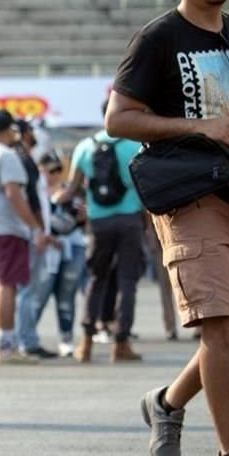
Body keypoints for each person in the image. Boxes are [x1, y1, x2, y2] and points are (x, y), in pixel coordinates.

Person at [105, 0, 229, 456]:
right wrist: (198, 124)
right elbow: (119, 119)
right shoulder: (158, 38)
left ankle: (168, 401)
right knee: (218, 326)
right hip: (188, 197)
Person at [58, 103, 145, 363]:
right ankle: (121, 343)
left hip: (98, 222)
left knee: (96, 279)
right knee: (127, 282)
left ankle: (85, 343)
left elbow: (73, 187)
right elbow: (144, 188)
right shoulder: (133, 146)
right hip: (129, 220)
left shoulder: (85, 146)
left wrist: (56, 201)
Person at [0, 109, 52, 365]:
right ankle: (7, 347)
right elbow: (14, 195)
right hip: (6, 228)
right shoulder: (6, 155)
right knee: (7, 286)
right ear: (9, 130)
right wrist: (35, 227)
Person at [12, 119, 59, 359]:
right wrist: (38, 230)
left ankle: (24, 338)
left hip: (30, 231)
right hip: (29, 232)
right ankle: (26, 340)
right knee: (27, 291)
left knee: (27, 290)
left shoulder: (24, 158)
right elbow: (28, 199)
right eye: (31, 130)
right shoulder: (22, 159)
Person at [35, 152, 87, 357]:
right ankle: (28, 337)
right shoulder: (36, 191)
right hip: (46, 248)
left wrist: (83, 217)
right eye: (51, 170)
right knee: (38, 295)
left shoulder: (70, 191)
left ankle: (66, 338)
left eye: (58, 170)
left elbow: (79, 221)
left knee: (67, 295)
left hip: (71, 246)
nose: (55, 174)